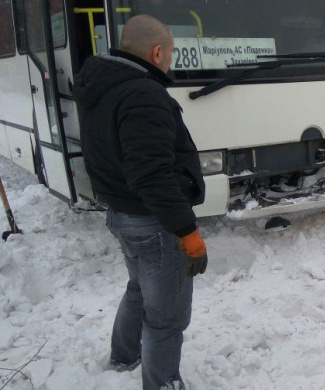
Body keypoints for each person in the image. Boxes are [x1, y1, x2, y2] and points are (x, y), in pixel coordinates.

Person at [73, 15, 207, 389]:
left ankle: (123, 355)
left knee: (138, 289)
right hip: (154, 222)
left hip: (122, 213)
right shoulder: (142, 94)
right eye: (171, 55)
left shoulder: (103, 84)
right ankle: (163, 383)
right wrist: (187, 231)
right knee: (166, 317)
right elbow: (151, 174)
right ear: (157, 51)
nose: (171, 63)